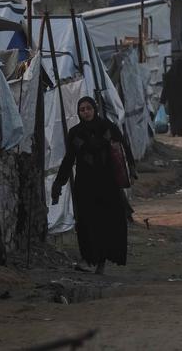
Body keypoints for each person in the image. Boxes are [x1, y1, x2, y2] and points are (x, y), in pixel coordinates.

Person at [51, 96, 129, 274]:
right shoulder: (75, 133)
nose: (86, 112)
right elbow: (69, 159)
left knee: (108, 222)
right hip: (85, 185)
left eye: (88, 108)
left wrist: (129, 170)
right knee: (87, 223)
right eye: (82, 110)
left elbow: (122, 149)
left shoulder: (107, 128)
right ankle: (89, 259)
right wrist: (59, 183)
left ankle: (102, 261)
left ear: (95, 109)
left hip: (108, 184)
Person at [159, 57, 182, 137]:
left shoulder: (169, 75)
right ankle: (180, 131)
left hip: (172, 100)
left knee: (173, 116)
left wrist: (163, 100)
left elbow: (165, 89)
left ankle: (173, 130)